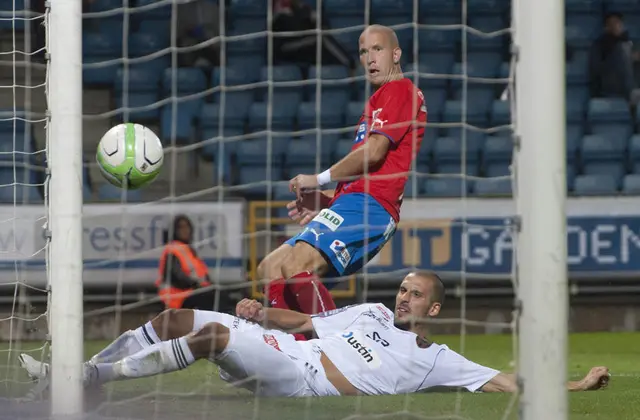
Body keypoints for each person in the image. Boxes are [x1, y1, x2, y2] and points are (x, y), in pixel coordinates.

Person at [19, 271, 610, 398]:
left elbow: (511, 382)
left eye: (414, 294)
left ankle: (83, 380)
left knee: (210, 342)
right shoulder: (373, 312)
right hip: (286, 348)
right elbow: (304, 323)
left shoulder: (439, 359)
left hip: (303, 382)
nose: (403, 297)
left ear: (432, 307)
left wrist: (579, 386)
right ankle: (90, 371)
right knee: (181, 319)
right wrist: (256, 313)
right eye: (402, 288)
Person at [258, 24, 428, 324]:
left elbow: (374, 153)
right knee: (270, 267)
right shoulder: (377, 101)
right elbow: (371, 168)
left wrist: (319, 179)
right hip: (353, 202)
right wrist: (328, 200)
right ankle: (296, 353)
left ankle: (338, 349)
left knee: (296, 262)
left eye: (378, 49)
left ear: (396, 54)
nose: (370, 58)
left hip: (372, 207)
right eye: (364, 52)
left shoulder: (400, 90)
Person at [155, 214, 214, 310]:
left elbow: (203, 275)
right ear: (174, 230)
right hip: (176, 299)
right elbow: (178, 277)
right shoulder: (172, 250)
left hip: (190, 294)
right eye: (181, 227)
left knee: (218, 295)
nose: (185, 230)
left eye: (187, 227)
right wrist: (196, 285)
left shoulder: (189, 250)